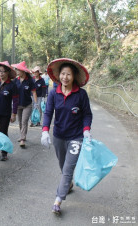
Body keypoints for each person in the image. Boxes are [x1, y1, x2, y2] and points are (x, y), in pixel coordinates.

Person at [40, 58, 92, 215]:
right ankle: (68, 184)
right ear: (58, 75)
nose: (65, 77)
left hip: (76, 137)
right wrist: (44, 130)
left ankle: (58, 200)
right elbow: (48, 112)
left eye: (68, 74)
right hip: (59, 137)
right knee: (63, 167)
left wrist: (86, 130)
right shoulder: (53, 93)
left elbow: (87, 115)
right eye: (63, 74)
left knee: (68, 169)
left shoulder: (81, 95)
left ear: (74, 76)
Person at [0, 61, 18, 161]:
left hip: (5, 113)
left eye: (3, 71)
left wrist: (13, 114)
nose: (1, 73)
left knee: (3, 132)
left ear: (8, 72)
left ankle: (4, 152)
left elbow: (15, 100)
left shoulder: (12, 85)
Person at [12, 61, 38, 148]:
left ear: (23, 71)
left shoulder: (30, 80)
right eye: (16, 70)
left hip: (28, 104)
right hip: (18, 105)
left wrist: (36, 104)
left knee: (24, 121)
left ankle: (22, 139)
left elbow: (34, 92)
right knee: (20, 122)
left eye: (18, 70)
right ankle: (23, 135)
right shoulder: (16, 80)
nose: (17, 72)